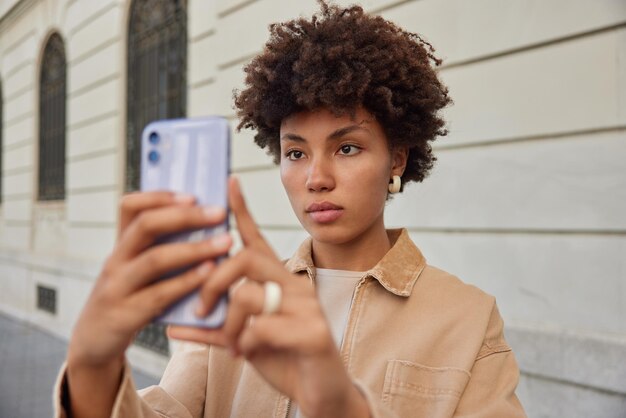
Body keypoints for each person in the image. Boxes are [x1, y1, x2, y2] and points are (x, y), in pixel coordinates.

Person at [55, 2, 526, 417]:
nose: (316, 177)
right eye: (296, 153)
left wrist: (342, 408)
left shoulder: (468, 318)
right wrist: (92, 370)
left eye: (347, 148)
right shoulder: (236, 301)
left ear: (397, 158)